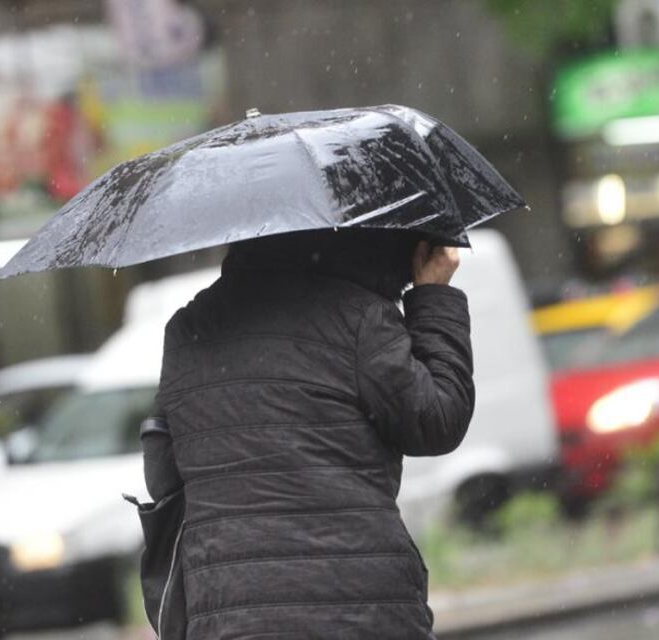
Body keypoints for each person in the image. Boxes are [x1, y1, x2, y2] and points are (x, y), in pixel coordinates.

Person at [154, 230, 475, 638]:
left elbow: (162, 471)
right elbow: (437, 422)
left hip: (230, 612)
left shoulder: (185, 332)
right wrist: (432, 295)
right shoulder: (357, 317)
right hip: (359, 610)